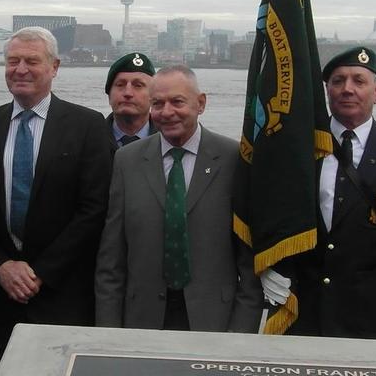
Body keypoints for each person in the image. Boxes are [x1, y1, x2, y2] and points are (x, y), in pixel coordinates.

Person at [0, 26, 112, 363]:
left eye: (32, 61)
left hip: (64, 293)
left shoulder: (88, 127)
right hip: (3, 292)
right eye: (13, 61)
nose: (20, 69)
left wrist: (41, 273)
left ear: (55, 67)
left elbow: (93, 209)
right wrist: (0, 265)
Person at [95, 64, 262, 332]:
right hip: (142, 322)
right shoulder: (127, 161)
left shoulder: (234, 159)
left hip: (214, 323)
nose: (167, 112)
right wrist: (108, 331)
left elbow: (250, 263)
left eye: (177, 102)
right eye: (158, 103)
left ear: (201, 103)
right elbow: (111, 260)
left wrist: (240, 335)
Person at [287, 46, 376, 339]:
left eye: (358, 81)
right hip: (306, 313)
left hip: (374, 317)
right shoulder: (299, 150)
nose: (347, 89)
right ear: (326, 91)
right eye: (338, 81)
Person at [104, 52, 156, 151]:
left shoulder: (168, 140)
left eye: (138, 85)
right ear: (109, 96)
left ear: (154, 96)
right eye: (120, 85)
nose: (128, 93)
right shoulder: (90, 139)